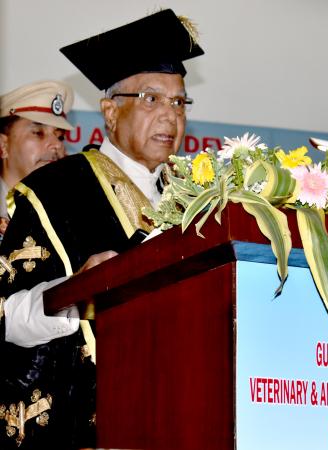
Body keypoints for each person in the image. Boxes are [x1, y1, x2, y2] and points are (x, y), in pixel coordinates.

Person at [0, 9, 204, 449]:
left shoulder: (197, 200)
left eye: (179, 102)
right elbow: (8, 316)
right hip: (85, 424)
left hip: (183, 415)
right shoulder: (56, 188)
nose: (170, 116)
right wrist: (74, 292)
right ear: (110, 112)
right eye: (152, 99)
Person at [0, 80, 73, 242]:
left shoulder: (70, 213)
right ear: (3, 145)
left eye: (60, 136)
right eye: (38, 133)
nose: (57, 145)